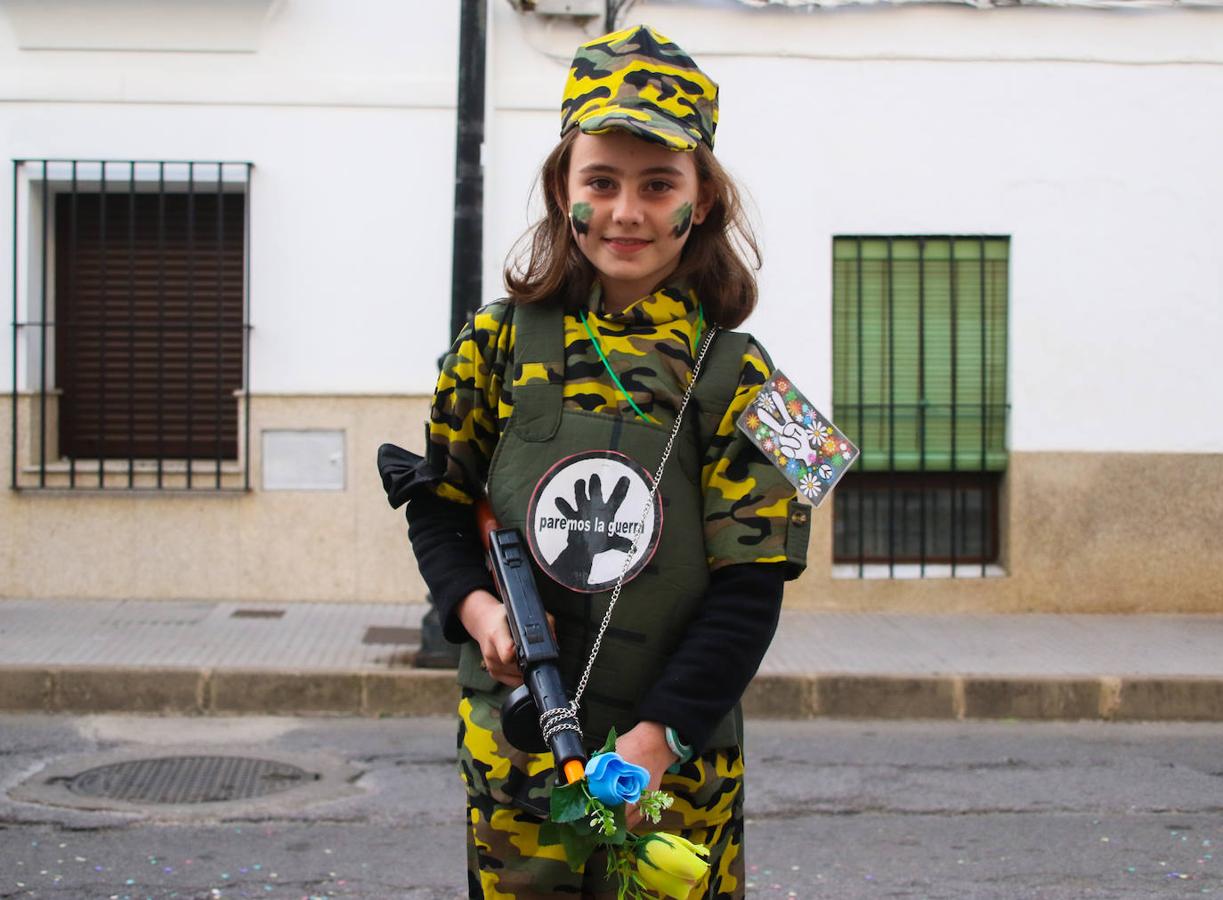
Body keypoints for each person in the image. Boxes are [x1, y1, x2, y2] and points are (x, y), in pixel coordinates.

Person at [403, 24, 809, 899]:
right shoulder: (493, 343)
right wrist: (476, 610)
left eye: (658, 184)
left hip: (672, 768)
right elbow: (435, 500)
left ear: (699, 201)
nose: (626, 211)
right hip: (519, 763)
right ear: (564, 190)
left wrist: (657, 742)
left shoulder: (749, 377)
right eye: (602, 181)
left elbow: (755, 586)